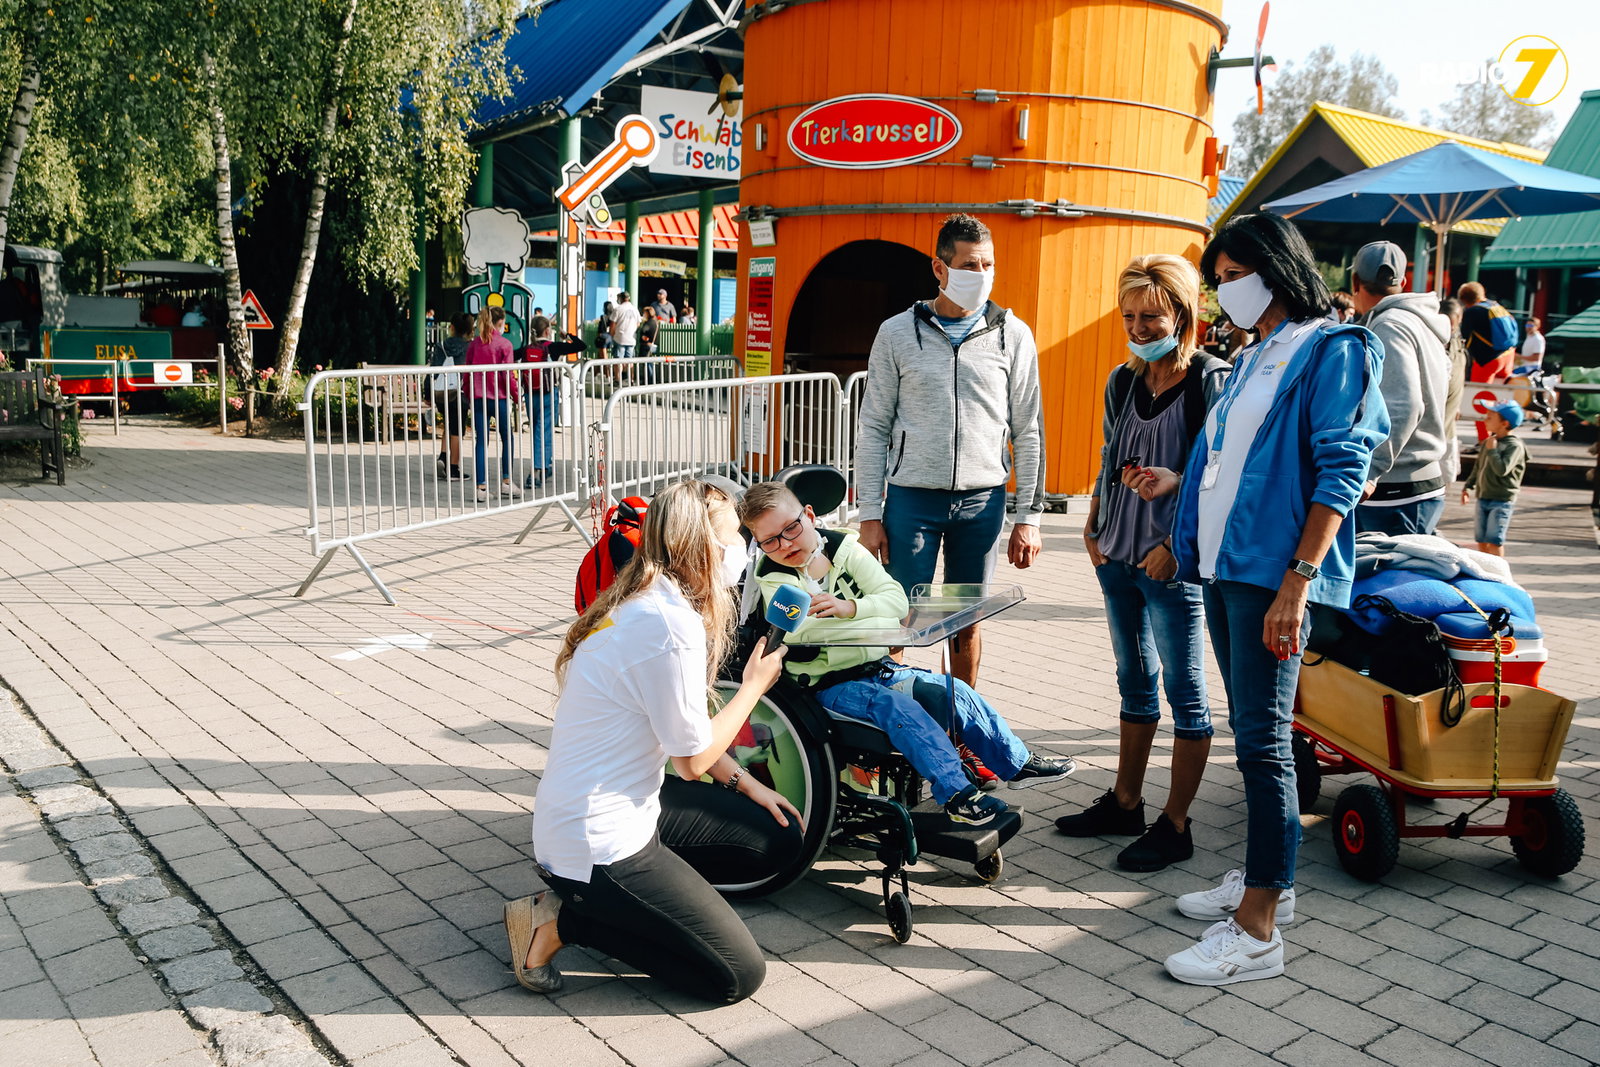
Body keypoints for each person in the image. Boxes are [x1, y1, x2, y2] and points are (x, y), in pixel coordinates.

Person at [1129, 213, 1388, 986]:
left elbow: (1343, 469)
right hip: (1227, 567)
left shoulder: (1331, 348)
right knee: (1256, 739)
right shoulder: (1253, 355)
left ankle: (1260, 929)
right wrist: (1181, 522)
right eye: (1220, 278)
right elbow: (1224, 462)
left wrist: (1298, 582)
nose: (1224, 290)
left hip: (1272, 577)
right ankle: (1260, 880)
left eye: (1234, 273)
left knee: (1266, 745)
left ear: (1276, 269)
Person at [511, 480, 802, 1003]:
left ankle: (632, 903)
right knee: (736, 977)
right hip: (599, 844)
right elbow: (690, 762)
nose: (744, 552)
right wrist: (755, 686)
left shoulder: (642, 598)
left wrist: (746, 784)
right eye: (735, 540)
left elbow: (683, 732)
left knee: (774, 836)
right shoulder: (669, 625)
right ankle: (565, 924)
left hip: (608, 812)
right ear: (702, 548)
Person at [737, 481, 1074, 826]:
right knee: (901, 709)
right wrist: (876, 617)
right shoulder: (774, 578)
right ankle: (958, 795)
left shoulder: (844, 548)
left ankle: (1014, 763)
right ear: (760, 546)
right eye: (770, 541)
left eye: (791, 528)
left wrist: (849, 607)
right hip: (827, 685)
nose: (786, 544)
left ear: (809, 516)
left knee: (951, 692)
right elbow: (804, 631)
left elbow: (896, 601)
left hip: (876, 668)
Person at [1056, 255, 1227, 872]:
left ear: (1182, 313)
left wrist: (1178, 545)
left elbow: (1221, 479)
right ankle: (1126, 801)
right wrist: (1096, 517)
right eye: (1129, 316)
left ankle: (1175, 824)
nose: (1139, 327)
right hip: (1119, 557)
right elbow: (1110, 450)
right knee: (1134, 681)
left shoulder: (1212, 380)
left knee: (1186, 692)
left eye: (1151, 316)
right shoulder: (1122, 380)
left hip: (1170, 565)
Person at [855, 213, 1046, 691]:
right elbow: (874, 425)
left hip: (982, 504)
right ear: (939, 269)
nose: (980, 275)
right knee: (902, 615)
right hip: (911, 502)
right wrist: (869, 514)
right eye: (969, 265)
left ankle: (961, 726)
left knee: (967, 620)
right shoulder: (896, 333)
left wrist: (1030, 517)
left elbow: (1028, 429)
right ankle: (894, 726)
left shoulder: (1013, 334)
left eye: (988, 265)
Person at [1349, 241, 1452, 536]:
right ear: (1403, 282)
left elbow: (1403, 405)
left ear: (1355, 281)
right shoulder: (1422, 323)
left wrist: (1371, 470)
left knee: (1385, 582)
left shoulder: (1389, 325)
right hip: (1421, 478)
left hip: (1395, 485)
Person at [464, 306, 521, 502]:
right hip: (500, 397)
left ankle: (481, 487)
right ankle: (506, 481)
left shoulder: (475, 344)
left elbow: (467, 372)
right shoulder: (505, 345)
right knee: (507, 438)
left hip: (479, 397)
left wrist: (468, 394)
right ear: (500, 322)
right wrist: (516, 395)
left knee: (482, 440)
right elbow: (508, 375)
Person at [1461, 401, 1528, 557]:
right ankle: (1485, 570)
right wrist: (1468, 487)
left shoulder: (1514, 446)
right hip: (1483, 496)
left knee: (1495, 539)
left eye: (1490, 417)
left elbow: (1502, 470)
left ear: (1504, 423)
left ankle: (1499, 572)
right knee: (1481, 539)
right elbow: (1479, 467)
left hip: (1501, 499)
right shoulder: (1489, 442)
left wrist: (1492, 451)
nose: (1485, 419)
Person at [1459, 282, 1518, 442]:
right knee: (1501, 399)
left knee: (1479, 399)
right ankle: (1503, 435)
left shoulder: (1472, 311)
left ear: (1464, 300)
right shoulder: (1496, 306)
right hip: (1508, 356)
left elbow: (1462, 337)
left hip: (1489, 360)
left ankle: (1484, 440)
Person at [431, 312, 472, 480]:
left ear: (452, 328)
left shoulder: (441, 345)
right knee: (457, 430)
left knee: (449, 424)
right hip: (460, 393)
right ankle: (454, 469)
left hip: (442, 392)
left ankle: (443, 456)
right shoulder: (470, 347)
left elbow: (432, 369)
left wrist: (428, 392)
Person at [521, 315, 559, 491]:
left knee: (540, 428)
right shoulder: (552, 347)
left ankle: (546, 465)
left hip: (530, 393)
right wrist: (566, 334)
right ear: (547, 331)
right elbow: (580, 345)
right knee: (543, 430)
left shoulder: (526, 349)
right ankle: (536, 471)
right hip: (548, 393)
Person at [1439, 297, 1470, 485]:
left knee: (1448, 476)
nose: (1451, 327)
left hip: (1449, 424)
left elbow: (1460, 373)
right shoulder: (1434, 342)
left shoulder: (1458, 341)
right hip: (1435, 428)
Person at [610, 292, 640, 359]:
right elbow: (638, 323)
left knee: (618, 360)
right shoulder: (635, 309)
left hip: (619, 338)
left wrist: (611, 335)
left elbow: (613, 324)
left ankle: (619, 370)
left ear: (620, 298)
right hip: (631, 339)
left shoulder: (618, 309)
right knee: (630, 360)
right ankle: (628, 370)